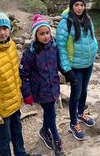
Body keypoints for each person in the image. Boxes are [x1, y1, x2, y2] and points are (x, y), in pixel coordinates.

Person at [0, 11, 41, 156]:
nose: (2, 33)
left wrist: (22, 95)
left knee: (17, 131)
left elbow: (14, 75)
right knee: (5, 138)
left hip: (14, 103)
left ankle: (20, 153)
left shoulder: (10, 46)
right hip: (0, 109)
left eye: (5, 28)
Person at [19, 14, 65, 156]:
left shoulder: (54, 47)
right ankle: (57, 140)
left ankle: (44, 131)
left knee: (49, 113)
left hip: (53, 87)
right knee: (52, 113)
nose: (46, 36)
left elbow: (59, 64)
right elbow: (23, 74)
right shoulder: (30, 53)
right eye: (42, 34)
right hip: (40, 90)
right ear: (35, 35)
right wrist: (26, 93)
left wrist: (69, 74)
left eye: (47, 33)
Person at [56, 0, 98, 141]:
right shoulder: (65, 23)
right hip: (75, 66)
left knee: (84, 90)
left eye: (82, 5)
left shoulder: (88, 19)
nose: (79, 8)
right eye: (76, 5)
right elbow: (60, 48)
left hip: (88, 63)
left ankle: (81, 113)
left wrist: (94, 52)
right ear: (71, 6)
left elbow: (92, 37)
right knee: (76, 93)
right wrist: (67, 70)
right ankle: (73, 123)